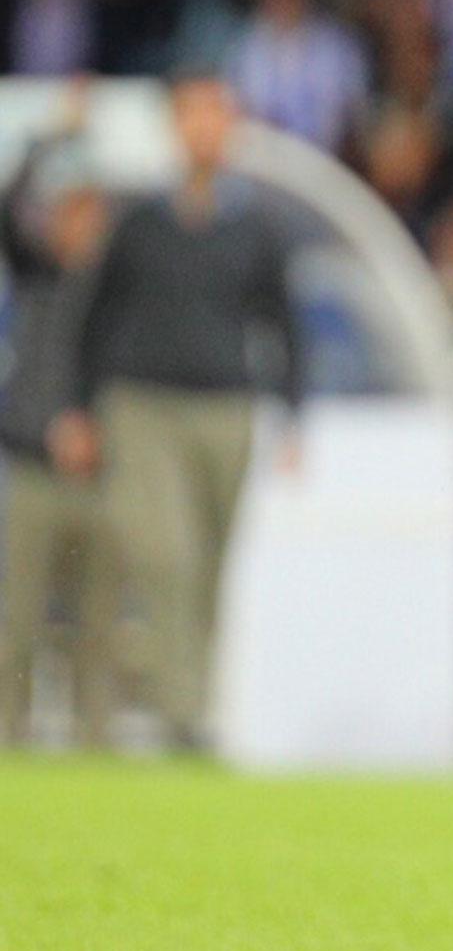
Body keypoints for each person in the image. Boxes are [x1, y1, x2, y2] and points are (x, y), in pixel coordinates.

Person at [50, 74, 302, 750]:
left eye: (216, 114)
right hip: (144, 407)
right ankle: (180, 713)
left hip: (226, 408)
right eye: (192, 115)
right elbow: (91, 317)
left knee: (213, 560)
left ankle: (194, 707)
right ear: (174, 126)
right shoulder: (137, 222)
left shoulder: (254, 226)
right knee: (167, 555)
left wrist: (294, 412)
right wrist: (76, 408)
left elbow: (282, 322)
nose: (204, 128)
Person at [0, 101, 117, 746]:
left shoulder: (120, 295)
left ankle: (93, 742)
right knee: (19, 619)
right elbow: (7, 205)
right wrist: (53, 137)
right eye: (68, 209)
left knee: (95, 622)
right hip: (32, 466)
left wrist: (94, 430)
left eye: (89, 210)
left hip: (101, 474)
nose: (79, 223)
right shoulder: (38, 276)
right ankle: (9, 739)